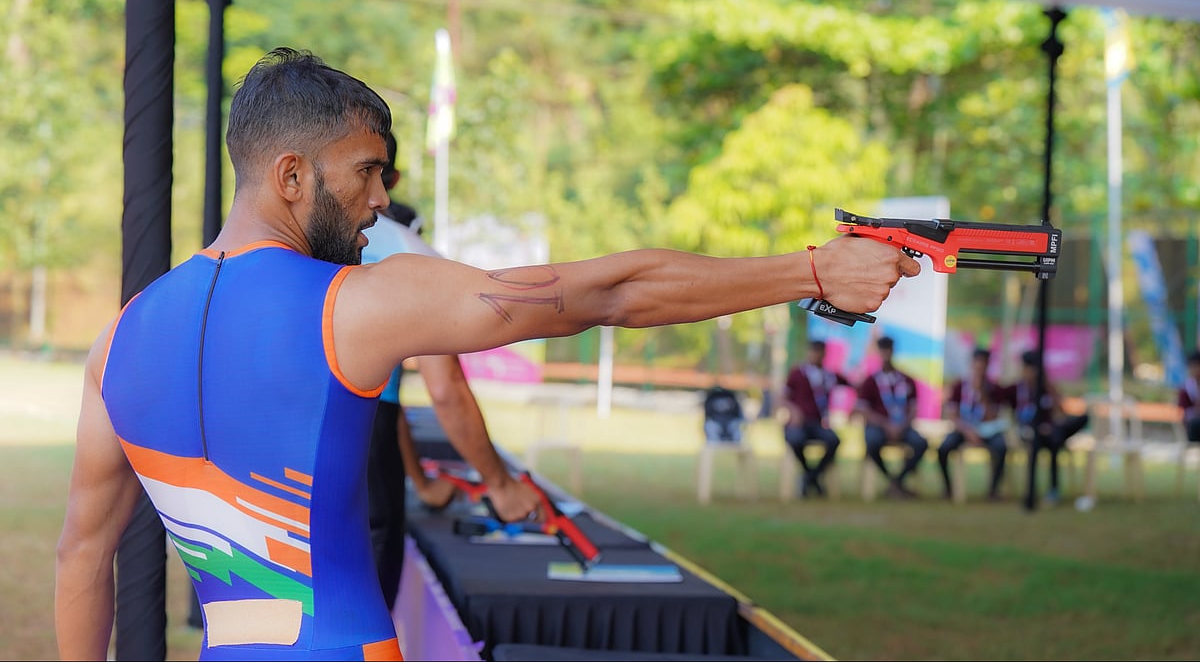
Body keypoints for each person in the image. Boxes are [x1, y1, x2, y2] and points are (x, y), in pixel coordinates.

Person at [54, 47, 920, 661]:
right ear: (291, 176)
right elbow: (607, 293)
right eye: (368, 171)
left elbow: (82, 555)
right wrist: (811, 270)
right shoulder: (354, 307)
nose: (380, 202)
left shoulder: (120, 336)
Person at [362, 131, 540, 613]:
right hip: (361, 437)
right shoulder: (409, 253)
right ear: (390, 179)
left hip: (275, 435)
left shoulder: (282, 247)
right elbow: (444, 390)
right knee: (365, 609)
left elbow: (386, 396)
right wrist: (500, 485)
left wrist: (418, 480)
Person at [1003, 349, 1089, 505]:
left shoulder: (1045, 388)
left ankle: (1053, 490)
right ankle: (1041, 489)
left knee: (1075, 423)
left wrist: (1050, 390)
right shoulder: (1016, 389)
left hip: (1050, 431)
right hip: (1030, 432)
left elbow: (1060, 412)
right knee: (1052, 440)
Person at [857, 336, 928, 498]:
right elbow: (864, 410)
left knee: (921, 443)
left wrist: (901, 425)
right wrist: (886, 425)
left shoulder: (906, 380)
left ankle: (897, 481)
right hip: (880, 426)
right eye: (883, 350)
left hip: (902, 425)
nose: (886, 354)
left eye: (888, 350)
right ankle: (893, 481)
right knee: (872, 442)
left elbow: (913, 408)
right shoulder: (870, 381)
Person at [937, 347, 1009, 501]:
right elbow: (953, 416)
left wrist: (982, 393)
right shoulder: (959, 386)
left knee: (1001, 447)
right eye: (977, 363)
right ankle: (948, 488)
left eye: (983, 364)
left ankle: (993, 491)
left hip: (987, 430)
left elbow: (993, 417)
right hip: (964, 429)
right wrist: (968, 431)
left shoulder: (995, 388)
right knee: (943, 448)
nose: (980, 367)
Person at [782, 340, 851, 497]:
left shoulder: (829, 375)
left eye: (818, 352)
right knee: (795, 439)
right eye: (812, 351)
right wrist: (794, 410)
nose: (814, 355)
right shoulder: (798, 373)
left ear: (823, 354)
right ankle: (811, 477)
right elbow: (783, 397)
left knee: (834, 440)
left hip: (818, 423)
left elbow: (852, 385)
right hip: (798, 423)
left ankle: (810, 477)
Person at [1179, 349, 1200, 444]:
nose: (1193, 369)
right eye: (1191, 366)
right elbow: (1184, 413)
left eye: (1196, 366)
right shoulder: (1187, 388)